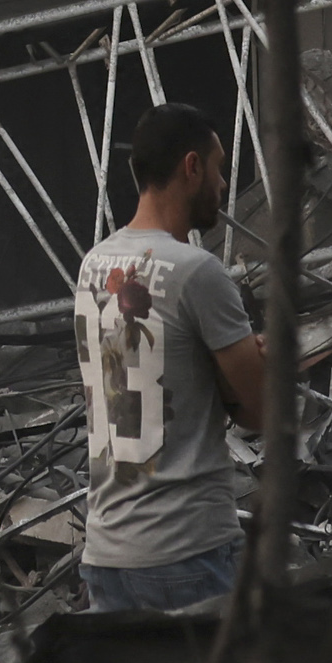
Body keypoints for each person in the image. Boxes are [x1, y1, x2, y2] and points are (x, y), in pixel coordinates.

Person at [71, 105, 267, 612]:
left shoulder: (94, 265)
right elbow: (261, 411)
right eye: (218, 167)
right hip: (188, 554)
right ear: (191, 167)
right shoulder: (197, 272)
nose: (224, 184)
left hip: (107, 556)